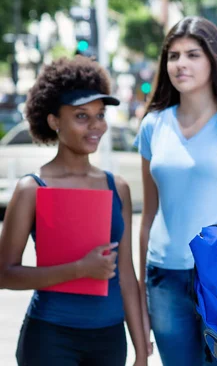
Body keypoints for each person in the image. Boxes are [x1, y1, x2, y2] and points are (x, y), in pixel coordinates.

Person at [134, 16, 217, 366]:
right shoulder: (153, 125)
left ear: (213, 59)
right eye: (174, 56)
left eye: (193, 54)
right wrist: (141, 292)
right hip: (163, 276)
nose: (181, 64)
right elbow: (149, 214)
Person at [0, 56, 147, 366]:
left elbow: (125, 276)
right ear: (54, 121)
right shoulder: (32, 190)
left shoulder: (116, 187)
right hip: (51, 339)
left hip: (109, 340)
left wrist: (142, 352)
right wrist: (81, 269)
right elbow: (5, 274)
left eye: (100, 115)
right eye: (82, 116)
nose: (96, 126)